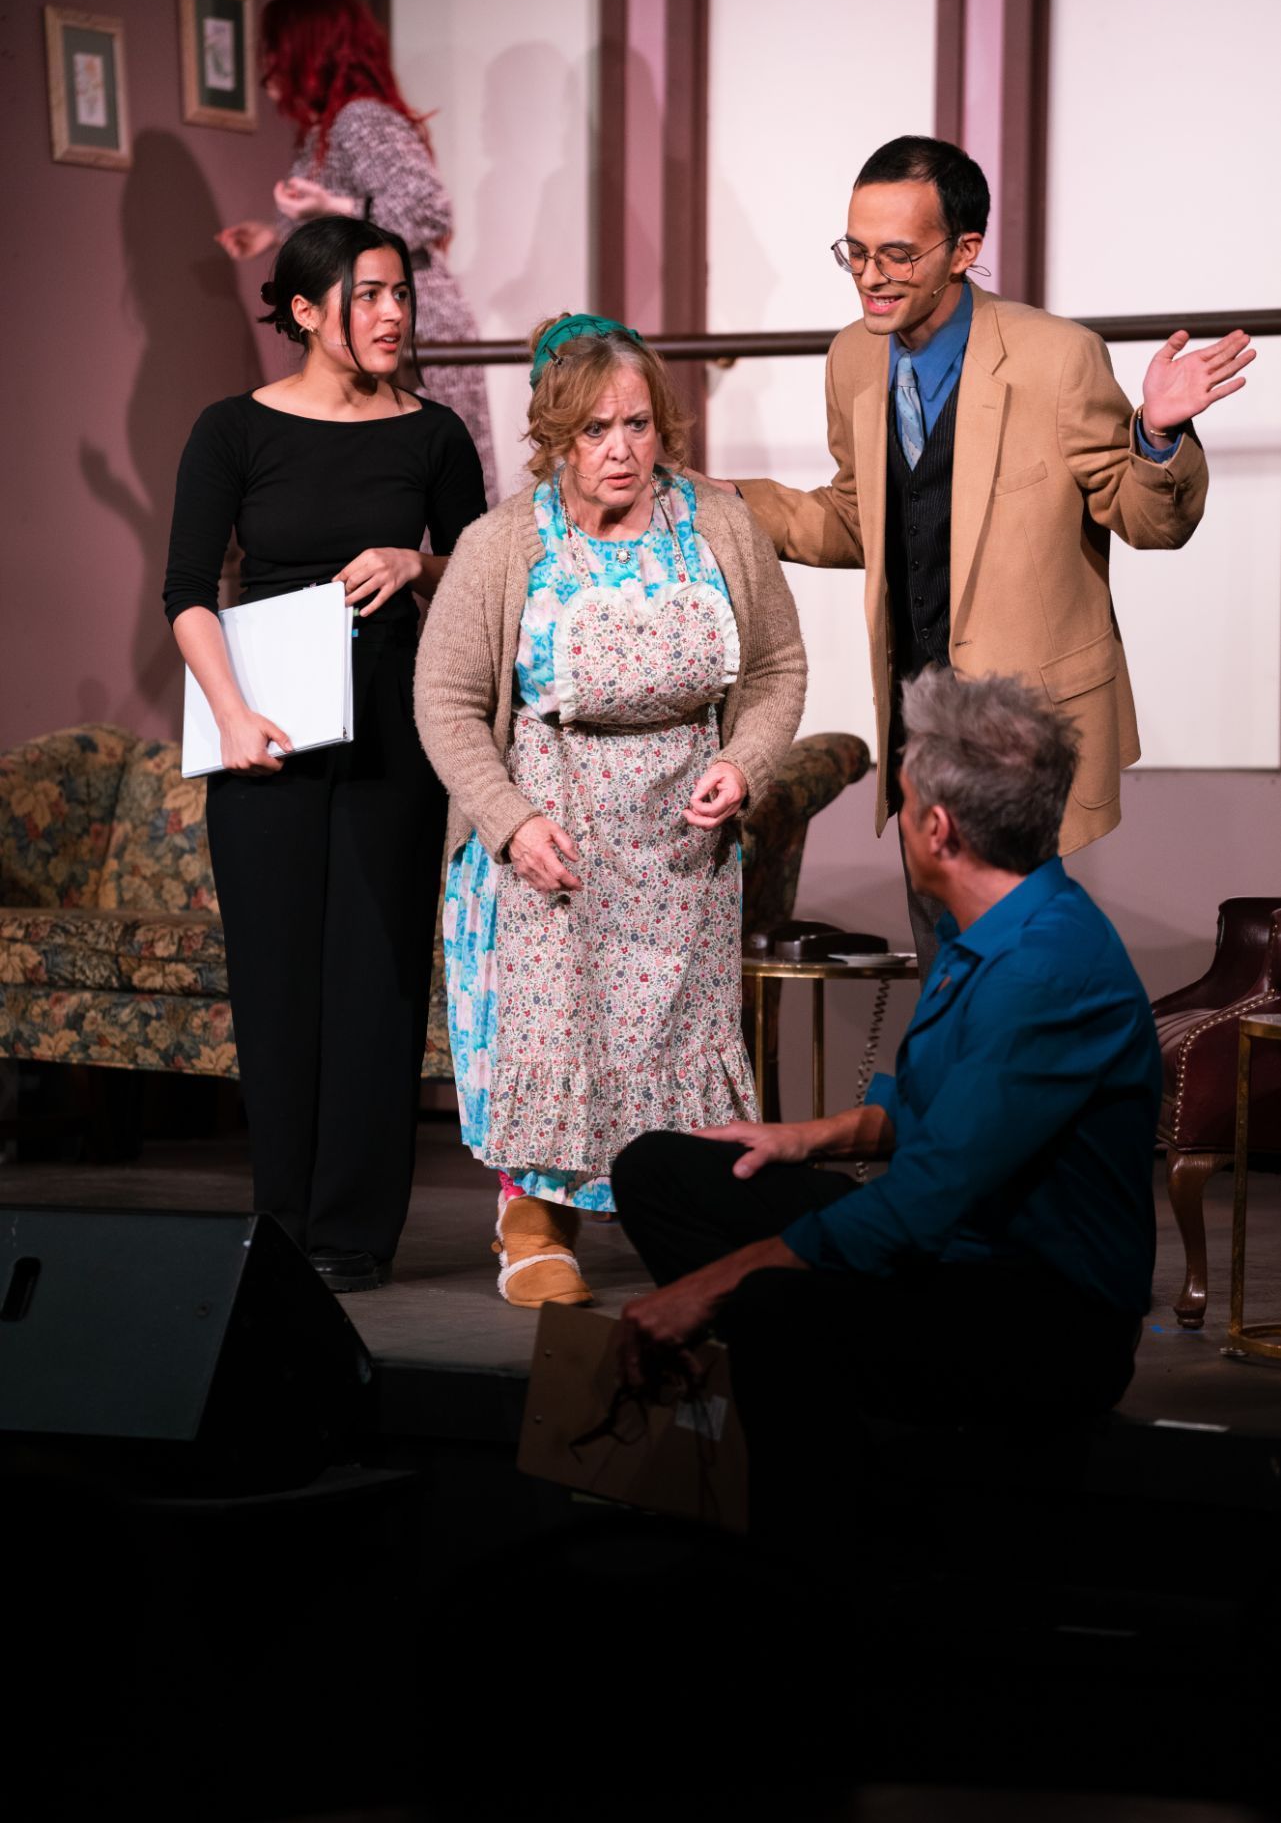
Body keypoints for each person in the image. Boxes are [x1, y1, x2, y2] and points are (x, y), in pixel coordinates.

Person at [613, 666, 1163, 1546]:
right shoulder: (991, 927)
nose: (898, 822)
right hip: (954, 1250)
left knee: (769, 1304)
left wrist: (711, 1285)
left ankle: (824, 1547)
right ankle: (781, 1424)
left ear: (938, 829)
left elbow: (925, 1196)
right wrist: (804, 1137)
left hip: (1040, 1313)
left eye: (901, 803)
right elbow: (942, 1110)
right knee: (660, 1171)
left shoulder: (1044, 969)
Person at [728, 135, 1255, 975]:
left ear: (962, 250)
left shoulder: (1056, 357)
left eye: (897, 254)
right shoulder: (851, 357)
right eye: (855, 252)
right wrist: (730, 503)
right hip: (917, 718)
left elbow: (1146, 520)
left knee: (1016, 963)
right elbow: (860, 521)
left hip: (1022, 723)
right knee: (944, 957)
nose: (870, 276)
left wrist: (1156, 434)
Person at [416, 313, 807, 1308]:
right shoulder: (504, 544)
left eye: (637, 424)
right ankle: (532, 1223)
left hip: (682, 848)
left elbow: (775, 669)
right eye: (595, 429)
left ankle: (685, 1217)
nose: (621, 449)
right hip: (554, 839)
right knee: (557, 1034)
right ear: (557, 435)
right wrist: (509, 820)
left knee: (674, 1044)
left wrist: (745, 764)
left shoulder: (718, 527)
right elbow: (445, 701)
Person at [164, 216, 487, 1291]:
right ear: (305, 312)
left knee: (376, 980)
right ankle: (284, 1224)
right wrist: (231, 713)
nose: (395, 315)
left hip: (393, 730)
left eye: (402, 294)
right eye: (370, 296)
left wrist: (416, 563)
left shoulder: (434, 434)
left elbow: (484, 575)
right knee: (276, 982)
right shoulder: (232, 430)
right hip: (265, 728)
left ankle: (353, 1233)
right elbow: (186, 592)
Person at [217, 0, 498, 505]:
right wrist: (275, 232)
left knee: (436, 489)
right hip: (367, 321)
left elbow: (426, 208)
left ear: (308, 51)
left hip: (403, 323)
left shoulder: (360, 118)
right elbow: (346, 224)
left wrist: (331, 206)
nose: (267, 69)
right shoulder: (326, 129)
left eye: (274, 51)